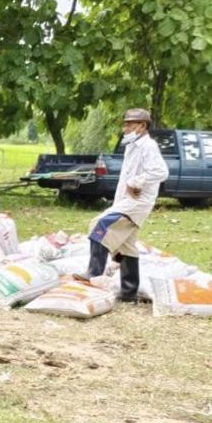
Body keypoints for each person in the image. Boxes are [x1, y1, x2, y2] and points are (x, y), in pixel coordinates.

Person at [74, 108, 169, 301]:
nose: (125, 128)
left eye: (130, 124)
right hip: (126, 201)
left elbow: (161, 172)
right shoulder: (132, 146)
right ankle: (128, 292)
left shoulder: (148, 146)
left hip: (138, 202)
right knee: (127, 247)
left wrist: (138, 182)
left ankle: (94, 273)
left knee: (100, 225)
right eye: (125, 124)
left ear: (142, 126)